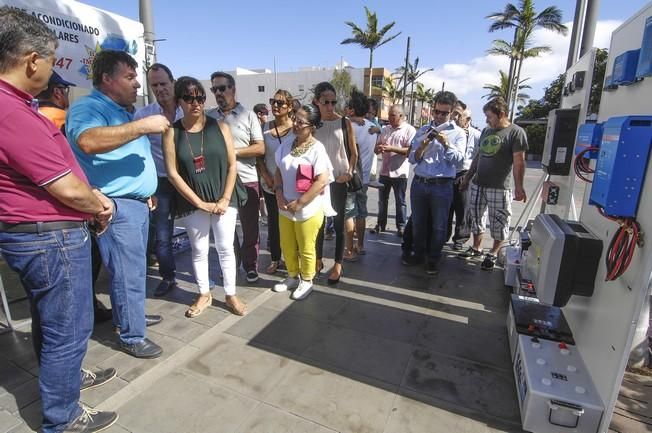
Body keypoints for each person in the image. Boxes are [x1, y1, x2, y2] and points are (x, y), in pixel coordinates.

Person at [0, 7, 118, 432]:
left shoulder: (15, 106)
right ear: (32, 60)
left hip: (37, 235)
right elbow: (65, 187)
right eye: (52, 60)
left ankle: (64, 383)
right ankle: (62, 416)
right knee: (68, 328)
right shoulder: (11, 112)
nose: (54, 70)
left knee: (52, 321)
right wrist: (101, 205)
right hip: (48, 237)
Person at [66, 50, 167, 359]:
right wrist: (142, 127)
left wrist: (144, 191)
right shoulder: (89, 107)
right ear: (107, 79)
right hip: (116, 207)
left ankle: (131, 317)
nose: (138, 84)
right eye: (130, 77)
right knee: (127, 272)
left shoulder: (121, 111)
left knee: (134, 271)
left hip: (135, 203)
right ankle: (132, 334)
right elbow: (87, 140)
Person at [163, 76, 247, 317]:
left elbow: (232, 165)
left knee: (225, 247)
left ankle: (231, 293)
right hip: (193, 201)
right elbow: (172, 173)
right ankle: (204, 293)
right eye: (188, 98)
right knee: (199, 249)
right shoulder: (172, 132)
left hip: (224, 197)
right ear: (179, 100)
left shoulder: (220, 127)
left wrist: (223, 199)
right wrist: (199, 203)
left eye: (200, 97)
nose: (195, 103)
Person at [206, 72, 264, 283]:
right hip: (220, 184)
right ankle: (231, 265)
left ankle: (251, 265)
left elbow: (260, 147)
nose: (218, 93)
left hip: (247, 180)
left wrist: (232, 152)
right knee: (225, 230)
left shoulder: (249, 115)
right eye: (214, 89)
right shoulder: (209, 118)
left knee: (250, 228)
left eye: (222, 88)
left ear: (233, 89)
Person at [459, 97, 528, 270]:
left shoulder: (516, 132)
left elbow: (519, 162)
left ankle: (494, 252)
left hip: (499, 187)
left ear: (501, 114)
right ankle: (477, 247)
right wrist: (467, 178)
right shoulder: (486, 131)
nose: (486, 120)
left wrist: (519, 187)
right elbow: (478, 157)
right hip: (478, 184)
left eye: (489, 116)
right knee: (476, 217)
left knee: (499, 221)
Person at [272, 104, 333, 299]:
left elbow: (321, 181)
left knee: (306, 246)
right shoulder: (286, 144)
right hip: (285, 206)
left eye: (301, 122)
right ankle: (291, 275)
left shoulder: (317, 149)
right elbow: (278, 171)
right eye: (295, 119)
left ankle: (307, 280)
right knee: (287, 243)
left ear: (312, 126)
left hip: (308, 208)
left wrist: (300, 203)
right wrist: (279, 195)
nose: (295, 125)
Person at [134, 63, 184, 297]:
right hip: (160, 184)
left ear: (173, 82)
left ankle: (204, 277)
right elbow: (137, 151)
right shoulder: (143, 116)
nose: (160, 88)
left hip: (188, 182)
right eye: (155, 85)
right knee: (162, 235)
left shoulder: (189, 110)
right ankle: (168, 276)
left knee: (199, 231)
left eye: (164, 83)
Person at [404, 91, 466, 275]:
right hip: (420, 183)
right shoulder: (423, 130)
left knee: (439, 224)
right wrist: (422, 147)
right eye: (436, 111)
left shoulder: (458, 133)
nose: (439, 116)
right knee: (418, 221)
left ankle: (433, 258)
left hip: (442, 185)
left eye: (444, 113)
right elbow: (412, 159)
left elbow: (459, 161)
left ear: (452, 113)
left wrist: (447, 144)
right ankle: (418, 253)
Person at [313, 82, 358, 285]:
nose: (330, 106)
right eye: (326, 102)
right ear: (317, 102)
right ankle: (318, 261)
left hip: (339, 180)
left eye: (333, 102)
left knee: (339, 224)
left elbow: (353, 152)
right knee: (318, 224)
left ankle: (338, 264)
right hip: (318, 181)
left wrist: (349, 172)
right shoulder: (313, 123)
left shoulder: (344, 122)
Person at [258, 90, 295, 274]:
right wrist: (266, 176)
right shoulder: (264, 128)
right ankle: (275, 258)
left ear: (289, 107)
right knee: (273, 222)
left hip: (291, 185)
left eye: (281, 103)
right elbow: (259, 156)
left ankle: (291, 258)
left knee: (290, 222)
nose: (275, 106)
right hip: (270, 184)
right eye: (273, 102)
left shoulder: (297, 128)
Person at [372, 105, 416, 237]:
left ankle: (401, 226)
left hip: (400, 173)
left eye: (392, 115)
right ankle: (380, 224)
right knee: (382, 200)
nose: (389, 118)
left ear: (401, 116)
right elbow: (375, 149)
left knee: (400, 201)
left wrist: (392, 148)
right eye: (389, 115)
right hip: (384, 172)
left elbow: (410, 151)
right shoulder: (385, 129)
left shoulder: (409, 130)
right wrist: (379, 149)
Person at [343, 90, 377, 259]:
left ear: (352, 109)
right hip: (363, 179)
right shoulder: (373, 127)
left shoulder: (347, 126)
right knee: (361, 213)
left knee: (348, 213)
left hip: (348, 177)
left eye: (348, 106)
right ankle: (361, 245)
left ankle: (349, 250)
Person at [447, 106, 481, 250]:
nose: (456, 118)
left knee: (463, 210)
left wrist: (470, 177)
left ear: (468, 119)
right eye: (454, 114)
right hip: (449, 174)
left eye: (459, 115)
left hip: (465, 174)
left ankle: (460, 239)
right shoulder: (450, 131)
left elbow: (479, 156)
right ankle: (443, 236)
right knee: (446, 209)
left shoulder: (477, 135)